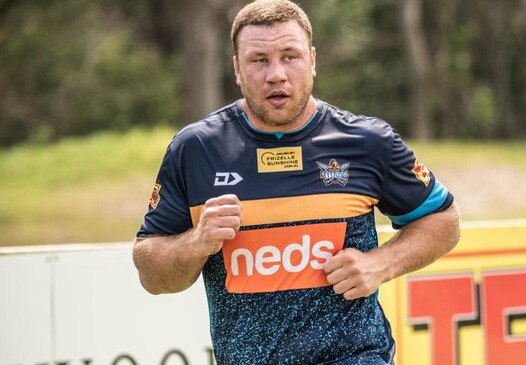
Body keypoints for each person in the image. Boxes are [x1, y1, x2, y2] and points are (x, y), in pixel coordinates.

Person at [132, 0, 460, 363]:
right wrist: (197, 242)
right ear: (237, 69)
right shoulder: (194, 150)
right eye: (259, 60)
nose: (276, 74)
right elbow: (152, 273)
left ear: (313, 61)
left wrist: (381, 263)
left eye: (290, 56)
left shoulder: (368, 142)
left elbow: (444, 220)